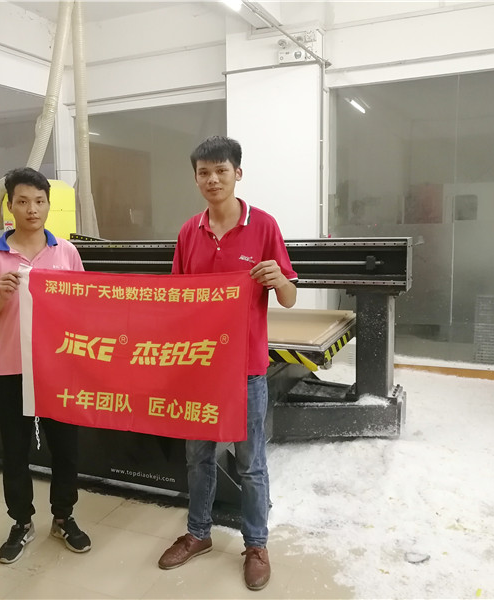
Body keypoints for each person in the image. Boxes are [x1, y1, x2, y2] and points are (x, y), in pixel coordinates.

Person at [158, 136, 297, 591]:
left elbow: (289, 298)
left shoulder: (264, 226)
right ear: (196, 178)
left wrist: (278, 280)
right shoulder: (188, 232)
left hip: (246, 369)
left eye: (221, 170)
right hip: (199, 367)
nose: (212, 180)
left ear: (238, 173)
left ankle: (256, 544)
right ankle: (198, 533)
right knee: (197, 456)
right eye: (204, 172)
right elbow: (176, 299)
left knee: (250, 462)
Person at [0, 167, 91, 564]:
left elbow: (84, 308)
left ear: (48, 205)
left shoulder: (66, 252)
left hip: (59, 369)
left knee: (66, 449)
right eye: (22, 201)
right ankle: (21, 522)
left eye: (39, 201)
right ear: (10, 205)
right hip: (13, 369)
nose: (32, 209)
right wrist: (0, 298)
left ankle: (63, 517)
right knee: (15, 451)